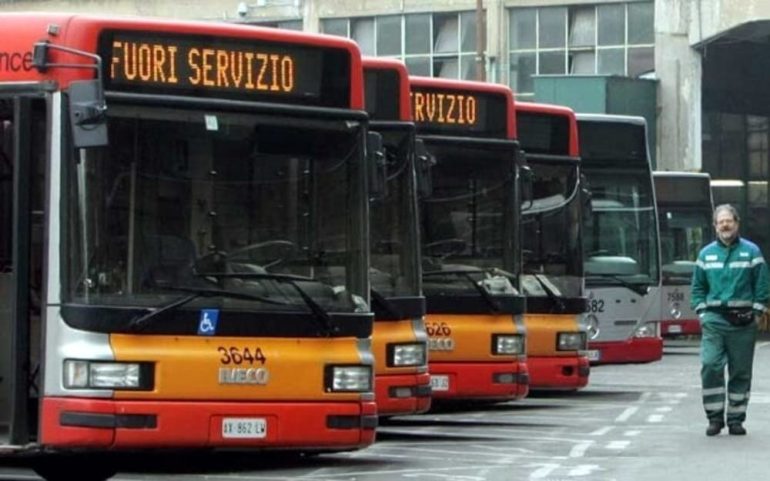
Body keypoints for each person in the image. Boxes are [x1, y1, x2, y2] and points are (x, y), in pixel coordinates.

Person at [691, 203, 769, 436]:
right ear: (715, 226)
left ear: (737, 224)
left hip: (743, 323)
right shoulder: (705, 254)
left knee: (740, 372)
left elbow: (762, 285)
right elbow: (697, 288)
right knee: (710, 365)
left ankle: (736, 419)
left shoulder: (752, 252)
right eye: (720, 221)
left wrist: (756, 313)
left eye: (729, 221)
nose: (725, 225)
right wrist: (703, 314)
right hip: (715, 320)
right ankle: (714, 418)